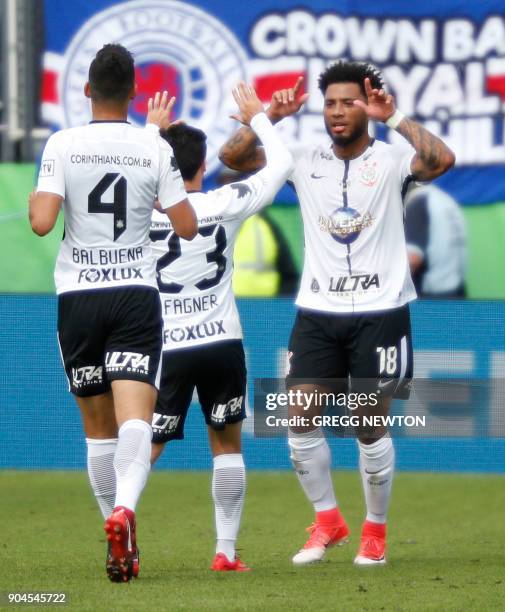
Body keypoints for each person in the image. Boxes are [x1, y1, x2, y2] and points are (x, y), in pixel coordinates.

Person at [219, 63, 455, 566]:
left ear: (366, 106)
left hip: (381, 311)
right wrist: (273, 117)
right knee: (298, 417)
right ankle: (329, 521)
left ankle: (375, 532)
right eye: (330, 103)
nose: (338, 112)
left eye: (349, 102)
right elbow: (232, 157)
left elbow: (441, 159)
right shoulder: (302, 159)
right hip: (318, 311)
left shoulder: (392, 160)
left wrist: (396, 117)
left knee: (368, 425)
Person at [29, 44, 196, 582]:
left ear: (85, 90)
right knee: (136, 421)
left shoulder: (63, 143)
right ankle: (125, 512)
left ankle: (115, 533)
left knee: (98, 432)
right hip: (133, 295)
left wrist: (43, 198)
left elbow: (40, 221)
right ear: (133, 92)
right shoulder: (153, 149)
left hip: (79, 298)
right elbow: (188, 225)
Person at [147, 83, 293, 570]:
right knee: (227, 445)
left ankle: (120, 517)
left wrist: (150, 135)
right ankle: (225, 552)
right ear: (202, 168)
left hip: (165, 346)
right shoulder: (223, 202)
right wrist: (259, 119)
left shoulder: (138, 216)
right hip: (220, 341)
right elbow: (280, 168)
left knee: (146, 444)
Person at [405, 184, 467, 298]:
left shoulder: (418, 202)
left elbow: (413, 260)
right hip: (457, 290)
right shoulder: (446, 199)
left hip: (433, 296)